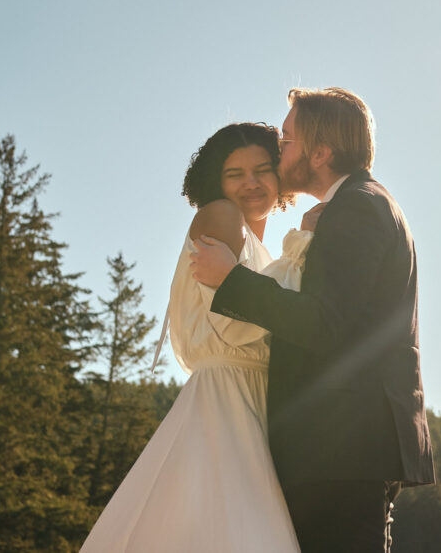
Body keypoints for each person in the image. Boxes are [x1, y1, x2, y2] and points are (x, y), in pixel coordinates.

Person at [192, 87, 435, 552]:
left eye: (287, 140)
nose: (278, 150)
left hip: (340, 452)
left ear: (320, 153)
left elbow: (326, 322)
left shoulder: (358, 207)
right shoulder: (356, 206)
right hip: (342, 451)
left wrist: (231, 280)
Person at [79, 122, 304, 552]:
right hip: (228, 403)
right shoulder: (220, 215)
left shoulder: (262, 249)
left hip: (262, 403)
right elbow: (233, 321)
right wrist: (304, 252)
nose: (251, 183)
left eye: (262, 169)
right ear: (215, 182)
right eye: (234, 174)